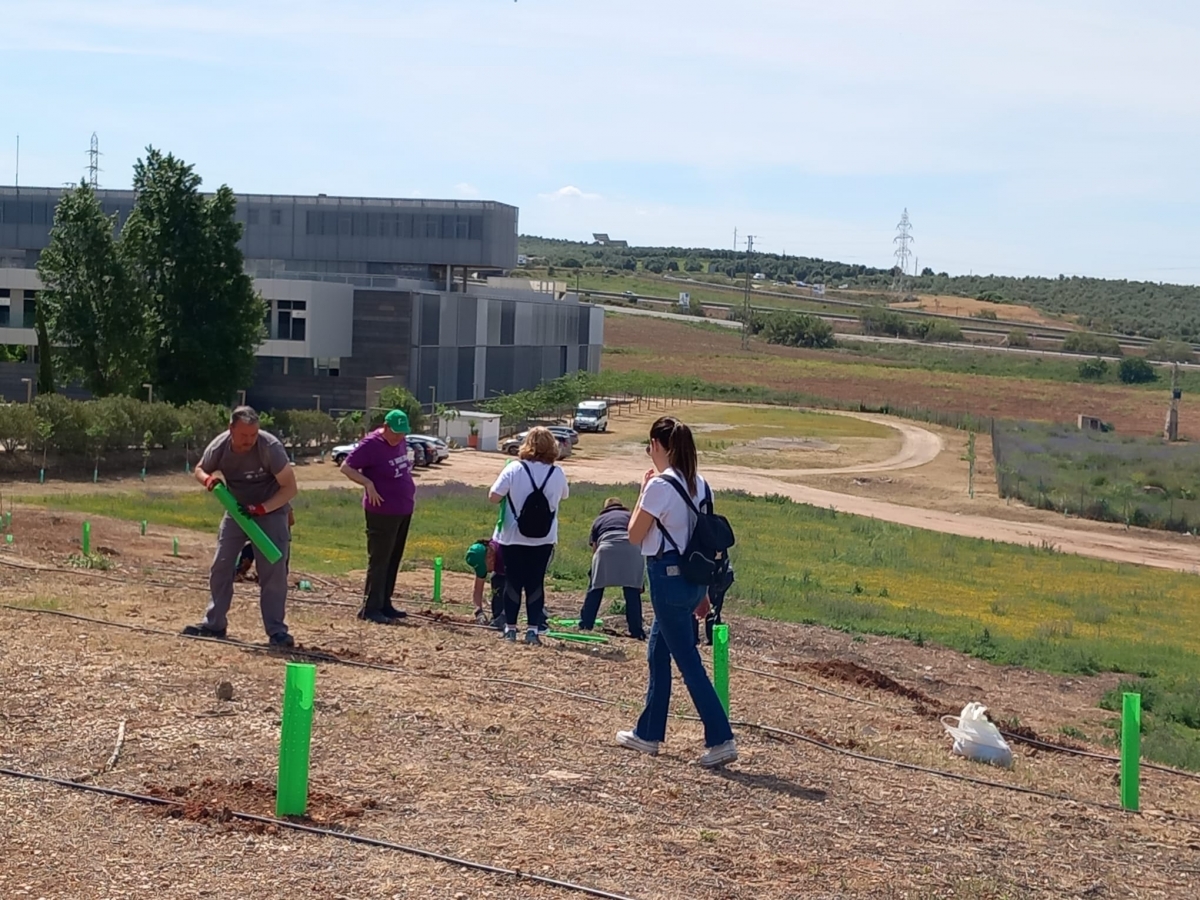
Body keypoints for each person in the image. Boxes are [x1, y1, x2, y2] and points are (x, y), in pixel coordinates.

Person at [616, 415, 738, 768]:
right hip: (692, 579)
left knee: (688, 662)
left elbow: (634, 534)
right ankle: (648, 733)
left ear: (657, 445)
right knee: (657, 653)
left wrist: (643, 489)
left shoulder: (659, 487)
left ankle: (721, 737)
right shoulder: (703, 485)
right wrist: (703, 592)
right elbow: (700, 539)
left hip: (666, 579)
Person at [184, 406, 298, 647]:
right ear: (231, 429)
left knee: (273, 571)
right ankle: (214, 624)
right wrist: (208, 480)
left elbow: (290, 489)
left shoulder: (270, 447)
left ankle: (277, 632)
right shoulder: (220, 446)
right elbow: (200, 469)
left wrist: (263, 508)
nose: (249, 441)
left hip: (271, 510)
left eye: (253, 435)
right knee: (221, 565)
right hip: (237, 510)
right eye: (244, 435)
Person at [488, 426, 569, 646]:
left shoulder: (514, 468)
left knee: (513, 582)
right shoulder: (557, 472)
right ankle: (533, 630)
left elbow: (493, 496)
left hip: (513, 536)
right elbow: (564, 495)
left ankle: (511, 628)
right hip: (544, 538)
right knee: (536, 584)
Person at [339, 409, 416, 624]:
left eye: (403, 433)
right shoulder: (371, 444)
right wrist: (367, 483)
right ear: (385, 426)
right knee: (380, 559)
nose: (400, 437)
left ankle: (385, 603)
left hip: (403, 507)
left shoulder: (400, 441)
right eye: (396, 433)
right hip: (381, 510)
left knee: (394, 557)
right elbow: (346, 467)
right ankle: (370, 607)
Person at [579, 497, 646, 640]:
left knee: (595, 589)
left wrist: (594, 572)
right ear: (621, 506)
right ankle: (636, 631)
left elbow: (595, 549)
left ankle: (586, 624)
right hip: (632, 549)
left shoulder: (599, 519)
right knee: (632, 593)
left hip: (606, 548)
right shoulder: (630, 516)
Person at [236, 508, 296, 582]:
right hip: (261, 533)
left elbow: (291, 521)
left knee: (279, 565)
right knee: (250, 549)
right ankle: (240, 571)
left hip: (278, 536)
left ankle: (273, 577)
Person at [466, 536, 505, 627]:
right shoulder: (483, 558)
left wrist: (506, 614)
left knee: (502, 583)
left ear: (489, 557)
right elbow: (478, 590)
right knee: (496, 580)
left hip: (524, 565)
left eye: (484, 567)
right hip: (501, 571)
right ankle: (497, 617)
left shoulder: (503, 554)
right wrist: (478, 612)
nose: (486, 571)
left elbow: (515, 589)